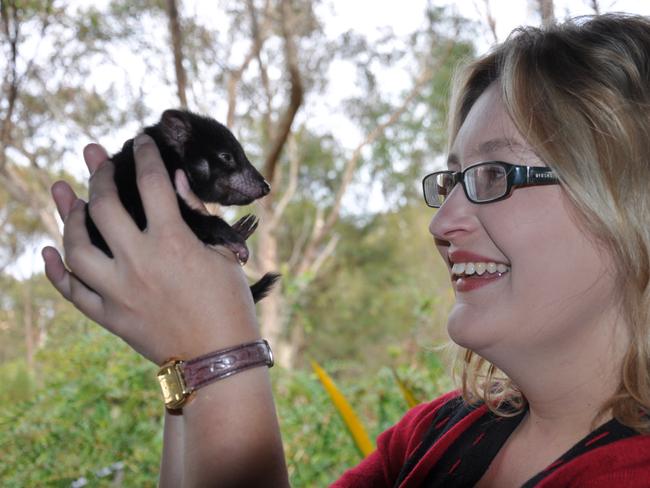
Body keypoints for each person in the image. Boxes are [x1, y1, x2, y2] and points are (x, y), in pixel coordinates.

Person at [43, 12, 650, 488]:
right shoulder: (435, 436)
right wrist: (188, 358)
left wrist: (220, 356)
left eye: (495, 174)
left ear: (632, 202)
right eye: (452, 180)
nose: (443, 221)